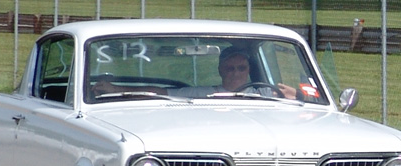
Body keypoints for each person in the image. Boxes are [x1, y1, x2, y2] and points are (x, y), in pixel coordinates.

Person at [91, 46, 298, 99]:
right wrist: (115, 88)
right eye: (230, 68)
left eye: (241, 68)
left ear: (249, 70)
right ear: (220, 70)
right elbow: (159, 92)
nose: (236, 73)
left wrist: (299, 96)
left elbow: (299, 100)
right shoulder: (203, 94)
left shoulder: (264, 94)